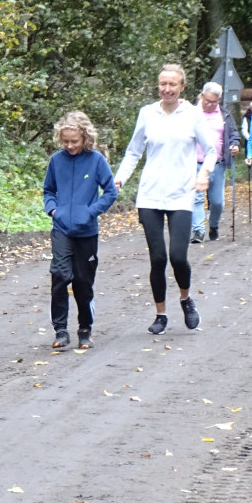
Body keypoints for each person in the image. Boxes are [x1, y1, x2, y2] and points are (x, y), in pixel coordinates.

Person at [114, 63, 216, 335]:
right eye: (163, 84)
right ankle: (161, 314)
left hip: (182, 194)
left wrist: (205, 173)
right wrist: (120, 178)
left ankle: (186, 299)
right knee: (158, 258)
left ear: (182, 86)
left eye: (172, 84)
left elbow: (211, 151)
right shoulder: (147, 113)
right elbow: (134, 152)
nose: (167, 89)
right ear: (158, 85)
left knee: (178, 257)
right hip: (150, 195)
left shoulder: (193, 114)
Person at [43, 111, 117, 350]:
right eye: (65, 141)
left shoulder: (96, 160)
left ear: (85, 137)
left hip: (86, 231)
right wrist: (54, 210)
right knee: (60, 276)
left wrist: (90, 212)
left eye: (74, 141)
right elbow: (48, 191)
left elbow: (110, 191)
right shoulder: (56, 160)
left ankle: (85, 329)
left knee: (83, 282)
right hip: (61, 229)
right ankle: (61, 330)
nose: (70, 145)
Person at [190, 82, 240, 242]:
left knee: (217, 202)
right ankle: (198, 231)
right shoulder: (190, 113)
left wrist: (234, 145)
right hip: (194, 163)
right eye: (208, 101)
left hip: (217, 164)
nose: (211, 104)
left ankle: (214, 225)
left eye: (215, 102)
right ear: (202, 96)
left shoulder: (224, 114)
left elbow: (233, 133)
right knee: (196, 198)